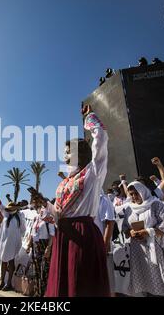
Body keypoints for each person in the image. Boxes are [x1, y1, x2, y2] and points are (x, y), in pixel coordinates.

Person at [32, 104, 110, 297]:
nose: (64, 155)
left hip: (82, 234)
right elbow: (58, 214)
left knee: (80, 283)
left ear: (78, 152)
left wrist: (90, 117)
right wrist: (44, 202)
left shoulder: (92, 172)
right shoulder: (64, 183)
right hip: (64, 235)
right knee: (63, 287)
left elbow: (101, 139)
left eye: (68, 151)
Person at [121, 181, 164, 297]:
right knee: (143, 280)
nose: (134, 197)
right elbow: (125, 227)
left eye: (136, 193)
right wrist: (130, 232)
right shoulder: (129, 209)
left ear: (143, 191)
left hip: (155, 248)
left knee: (159, 278)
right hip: (138, 251)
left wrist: (148, 231)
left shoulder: (155, 204)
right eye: (131, 194)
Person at [0, 189, 26, 291]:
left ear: (15, 209)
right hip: (3, 242)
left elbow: (23, 230)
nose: (9, 210)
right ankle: (2, 282)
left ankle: (8, 284)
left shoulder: (20, 217)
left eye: (12, 209)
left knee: (11, 262)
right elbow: (0, 204)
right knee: (3, 262)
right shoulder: (6, 214)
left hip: (13, 243)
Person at [29, 204, 55, 297]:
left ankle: (45, 293)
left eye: (42, 207)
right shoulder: (36, 218)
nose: (40, 209)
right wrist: (29, 244)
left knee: (44, 270)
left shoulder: (49, 218)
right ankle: (37, 291)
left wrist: (48, 248)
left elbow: (52, 234)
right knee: (36, 269)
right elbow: (32, 233)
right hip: (36, 245)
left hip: (45, 245)